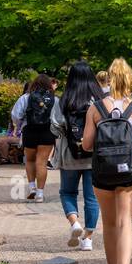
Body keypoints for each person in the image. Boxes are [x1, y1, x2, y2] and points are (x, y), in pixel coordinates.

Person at [81, 58, 132, 264]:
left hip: (102, 172)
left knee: (109, 223)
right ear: (131, 80)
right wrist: (129, 158)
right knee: (125, 223)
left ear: (109, 80)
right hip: (128, 174)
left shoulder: (95, 108)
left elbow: (87, 145)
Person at [52, 61, 101, 251]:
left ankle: (74, 223)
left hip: (69, 153)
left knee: (67, 192)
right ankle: (88, 238)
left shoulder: (64, 99)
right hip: (93, 154)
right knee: (92, 197)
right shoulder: (98, 100)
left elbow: (55, 126)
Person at [14, 74, 57, 201]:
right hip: (47, 132)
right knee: (42, 162)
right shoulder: (54, 99)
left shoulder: (25, 98)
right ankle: (40, 193)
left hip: (30, 131)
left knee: (30, 160)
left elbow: (16, 115)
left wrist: (20, 125)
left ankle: (32, 187)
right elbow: (59, 119)